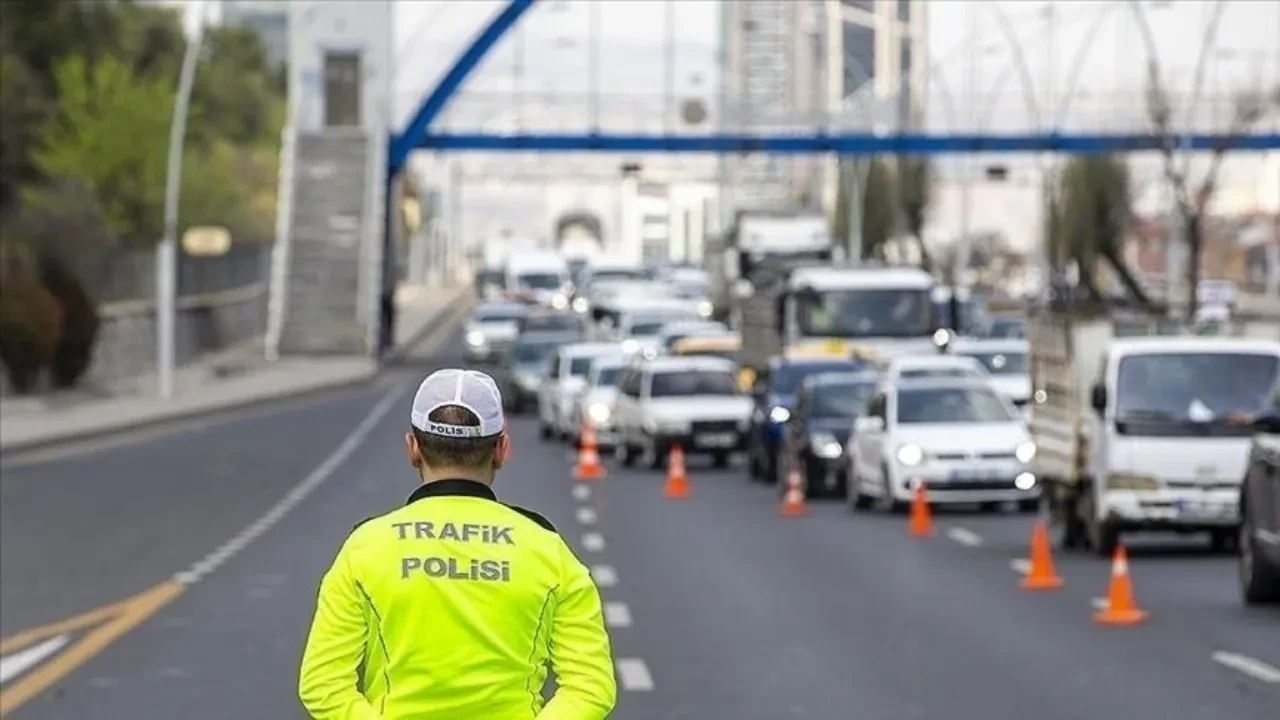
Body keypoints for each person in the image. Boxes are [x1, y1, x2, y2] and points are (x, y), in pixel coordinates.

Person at [299, 369, 617, 719]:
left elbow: (322, 684)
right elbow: (591, 686)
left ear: (413, 448)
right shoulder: (548, 549)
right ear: (501, 449)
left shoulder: (366, 547)